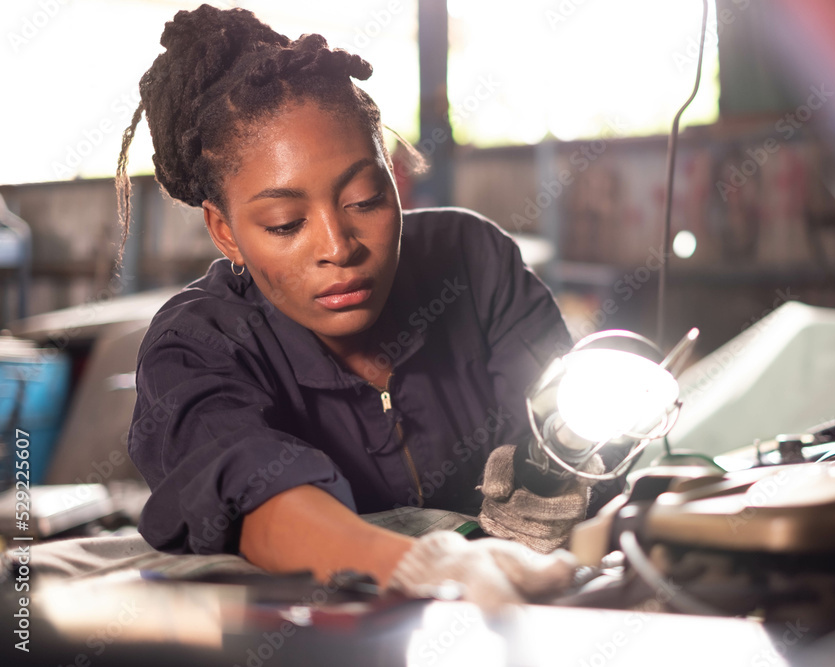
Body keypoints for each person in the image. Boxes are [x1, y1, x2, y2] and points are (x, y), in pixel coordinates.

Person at [116, 4, 606, 602]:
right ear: (224, 233)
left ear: (393, 182)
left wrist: (564, 476)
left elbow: (570, 430)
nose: (338, 247)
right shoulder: (196, 346)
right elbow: (254, 498)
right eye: (285, 222)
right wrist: (420, 565)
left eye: (365, 198)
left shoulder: (472, 262)